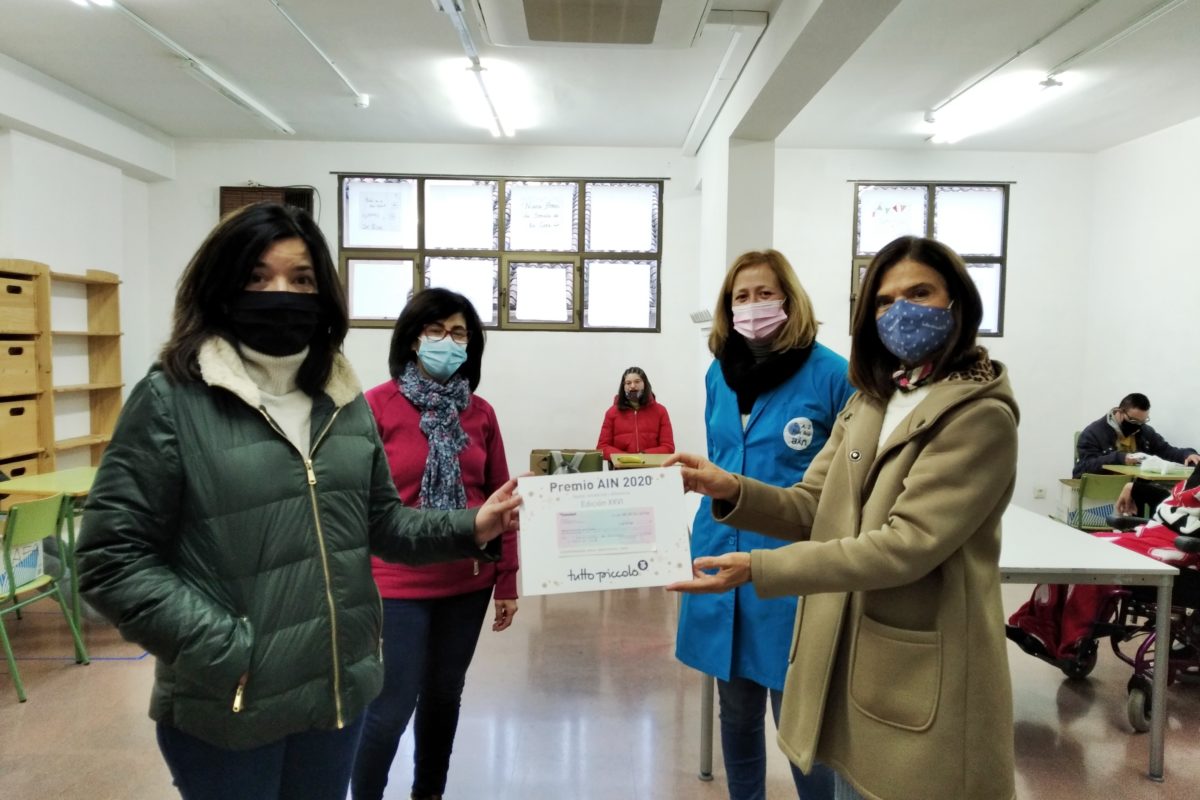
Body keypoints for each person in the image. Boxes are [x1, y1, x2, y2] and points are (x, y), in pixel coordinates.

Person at [74, 202, 520, 800]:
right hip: (231, 705)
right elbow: (110, 558)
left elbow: (382, 524)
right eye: (258, 277)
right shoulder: (171, 400)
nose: (280, 292)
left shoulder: (341, 398)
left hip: (335, 694)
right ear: (221, 286)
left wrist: (473, 523)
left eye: (302, 278)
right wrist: (229, 649)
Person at [668, 235, 1019, 800]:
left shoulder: (977, 416)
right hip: (843, 621)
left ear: (959, 303)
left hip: (917, 658)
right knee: (809, 750)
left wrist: (762, 567)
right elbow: (812, 503)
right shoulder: (873, 400)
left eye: (920, 293)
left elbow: (906, 544)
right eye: (884, 300)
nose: (901, 311)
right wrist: (728, 486)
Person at [675, 249, 854, 800]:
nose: (752, 306)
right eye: (740, 297)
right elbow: (720, 460)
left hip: (792, 564)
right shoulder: (718, 374)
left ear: (789, 299)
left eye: (764, 293)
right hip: (718, 550)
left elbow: (848, 482)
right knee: (736, 709)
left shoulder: (832, 374)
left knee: (799, 718)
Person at [351, 288, 518, 800]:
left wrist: (507, 579)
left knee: (444, 697)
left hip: (466, 582)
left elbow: (502, 500)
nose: (448, 341)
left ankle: (429, 793)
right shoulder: (374, 407)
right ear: (412, 337)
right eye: (436, 330)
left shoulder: (481, 414)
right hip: (396, 582)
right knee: (391, 705)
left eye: (460, 333)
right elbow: (354, 505)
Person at [1075, 393, 1199, 516]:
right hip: (1104, 496)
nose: (1137, 426)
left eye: (1142, 421)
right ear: (1120, 412)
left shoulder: (1145, 432)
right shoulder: (1093, 433)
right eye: (1133, 420)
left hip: (1137, 492)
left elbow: (1167, 451)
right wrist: (1120, 458)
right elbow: (1083, 468)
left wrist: (1187, 454)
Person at [595, 366, 675, 458]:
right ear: (623, 387)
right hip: (621, 469)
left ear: (645, 384)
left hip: (652, 468)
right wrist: (627, 458)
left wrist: (643, 455)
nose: (632, 386)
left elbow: (668, 447)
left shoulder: (661, 411)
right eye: (628, 383)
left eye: (637, 381)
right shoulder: (611, 413)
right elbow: (602, 447)